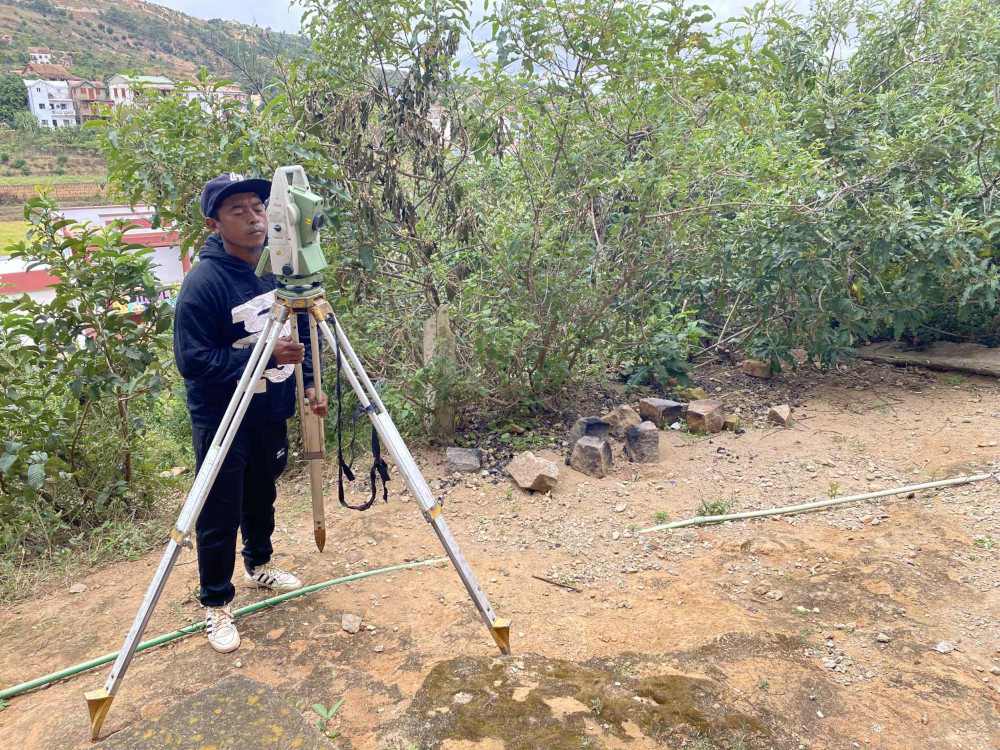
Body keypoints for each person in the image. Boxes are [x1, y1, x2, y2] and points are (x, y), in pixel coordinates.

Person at [173, 173, 329, 653]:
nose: (254, 218)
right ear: (214, 223)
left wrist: (309, 383)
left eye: (259, 208)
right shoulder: (204, 283)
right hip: (223, 418)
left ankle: (259, 563)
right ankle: (216, 603)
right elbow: (193, 362)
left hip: (269, 409)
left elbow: (299, 334)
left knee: (262, 491)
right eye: (237, 210)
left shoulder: (277, 271)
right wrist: (263, 357)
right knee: (220, 509)